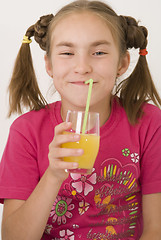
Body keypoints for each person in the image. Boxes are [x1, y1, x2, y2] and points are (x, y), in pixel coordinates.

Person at [0, 0, 161, 239]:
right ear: (49, 65)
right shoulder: (26, 131)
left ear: (122, 63)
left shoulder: (149, 123)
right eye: (67, 53)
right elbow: (13, 236)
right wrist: (53, 175)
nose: (82, 67)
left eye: (98, 53)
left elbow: (155, 229)